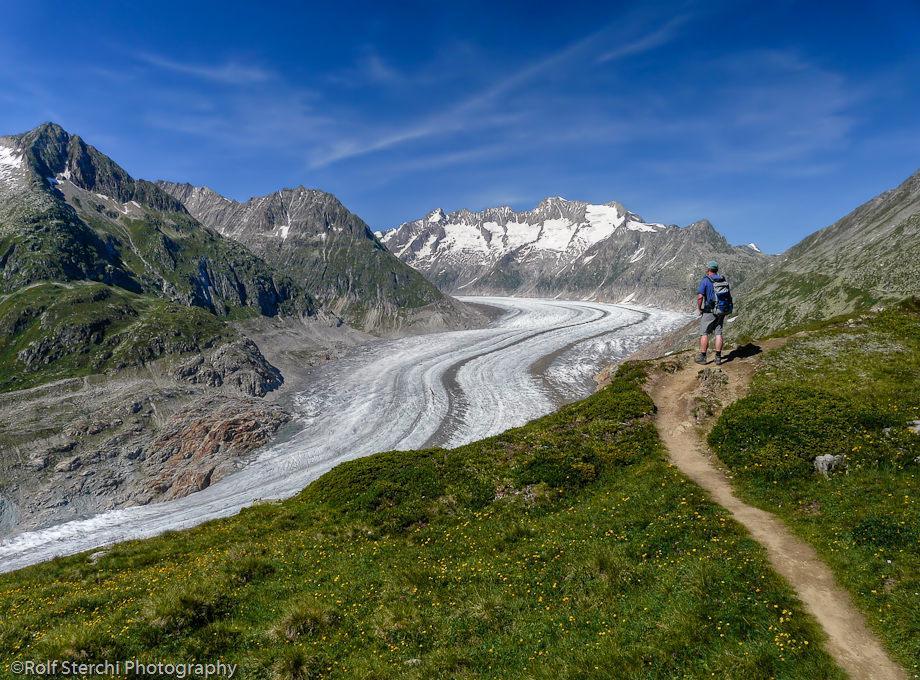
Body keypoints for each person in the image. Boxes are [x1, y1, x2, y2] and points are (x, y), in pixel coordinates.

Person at [695, 260, 729, 365]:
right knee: (718, 333)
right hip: (721, 310)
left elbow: (700, 297)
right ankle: (718, 357)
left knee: (704, 333)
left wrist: (699, 308)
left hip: (709, 310)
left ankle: (703, 357)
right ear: (717, 270)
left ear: (708, 269)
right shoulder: (722, 280)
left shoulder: (706, 280)